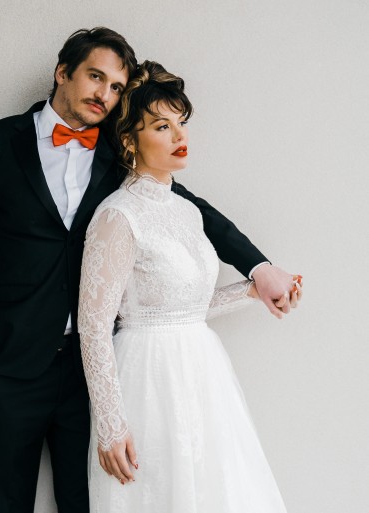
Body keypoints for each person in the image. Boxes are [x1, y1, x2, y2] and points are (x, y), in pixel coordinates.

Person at [0, 27, 299, 513]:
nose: (105, 95)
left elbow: (190, 209)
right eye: (96, 77)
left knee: (93, 501)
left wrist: (258, 268)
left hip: (96, 370)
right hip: (10, 364)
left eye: (115, 86)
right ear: (62, 72)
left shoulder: (120, 151)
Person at [78, 60, 297, 512]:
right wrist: (111, 424)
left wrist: (250, 291)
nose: (180, 136)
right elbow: (94, 326)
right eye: (163, 126)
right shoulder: (117, 215)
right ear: (130, 140)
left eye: (181, 123)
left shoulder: (189, 212)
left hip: (203, 374)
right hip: (148, 379)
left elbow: (183, 309)